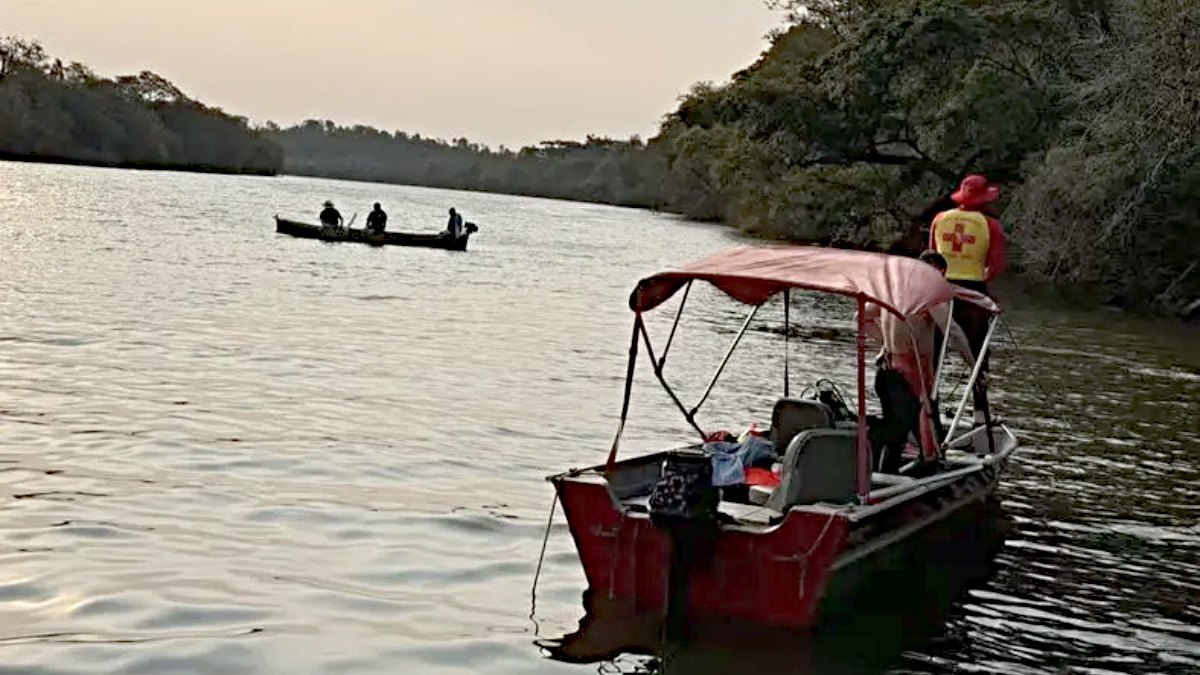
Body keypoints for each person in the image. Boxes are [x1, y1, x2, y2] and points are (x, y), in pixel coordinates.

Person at [863, 257, 974, 471]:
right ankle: (924, 469)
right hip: (914, 375)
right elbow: (953, 333)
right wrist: (972, 364)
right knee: (923, 434)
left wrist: (885, 341)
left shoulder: (891, 292)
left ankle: (884, 471)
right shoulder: (928, 295)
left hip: (886, 369)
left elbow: (862, 316)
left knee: (897, 430)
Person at [929, 175, 1006, 422]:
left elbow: (931, 257)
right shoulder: (991, 225)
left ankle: (930, 412)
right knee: (977, 354)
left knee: (933, 354)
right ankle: (980, 415)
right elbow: (995, 266)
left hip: (939, 289)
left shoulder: (939, 219)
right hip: (973, 291)